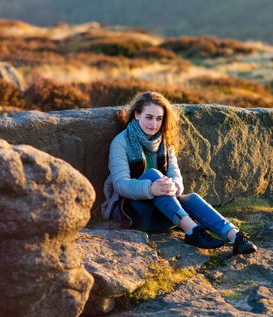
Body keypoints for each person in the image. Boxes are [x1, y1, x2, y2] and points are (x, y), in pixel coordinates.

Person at [101, 91, 257, 255]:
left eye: (159, 119)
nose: (154, 124)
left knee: (192, 198)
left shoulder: (165, 142)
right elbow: (120, 185)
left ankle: (236, 237)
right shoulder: (121, 142)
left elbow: (177, 179)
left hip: (165, 214)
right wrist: (151, 188)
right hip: (134, 214)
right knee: (153, 175)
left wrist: (172, 186)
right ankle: (192, 230)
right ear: (137, 114)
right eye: (149, 117)